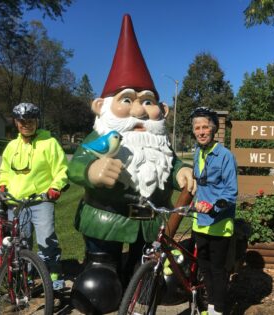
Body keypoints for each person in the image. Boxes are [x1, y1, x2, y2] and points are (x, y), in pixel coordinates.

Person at [68, 14, 195, 290]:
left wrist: (181, 171)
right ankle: (103, 266)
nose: (139, 110)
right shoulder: (101, 135)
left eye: (147, 101)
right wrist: (91, 170)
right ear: (101, 106)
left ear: (163, 110)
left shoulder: (157, 140)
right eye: (127, 100)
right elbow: (75, 165)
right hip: (106, 219)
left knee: (146, 274)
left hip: (151, 223)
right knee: (100, 282)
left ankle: (138, 276)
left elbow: (168, 162)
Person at [0, 102, 69, 291]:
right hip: (16, 202)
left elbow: (61, 169)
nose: (26, 124)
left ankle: (52, 274)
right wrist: (2, 185)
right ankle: (27, 275)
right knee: (21, 242)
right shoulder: (12, 146)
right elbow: (4, 171)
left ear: (37, 121)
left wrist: (56, 187)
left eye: (30, 120)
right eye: (21, 121)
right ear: (15, 122)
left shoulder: (49, 143)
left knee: (46, 240)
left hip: (40, 200)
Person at [190, 107, 238, 315]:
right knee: (205, 269)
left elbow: (231, 192)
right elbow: (198, 184)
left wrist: (213, 207)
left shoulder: (225, 156)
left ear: (213, 129)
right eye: (197, 128)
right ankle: (210, 307)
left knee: (218, 271)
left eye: (205, 127)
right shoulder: (197, 154)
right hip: (199, 223)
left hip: (219, 224)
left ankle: (218, 310)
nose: (201, 132)